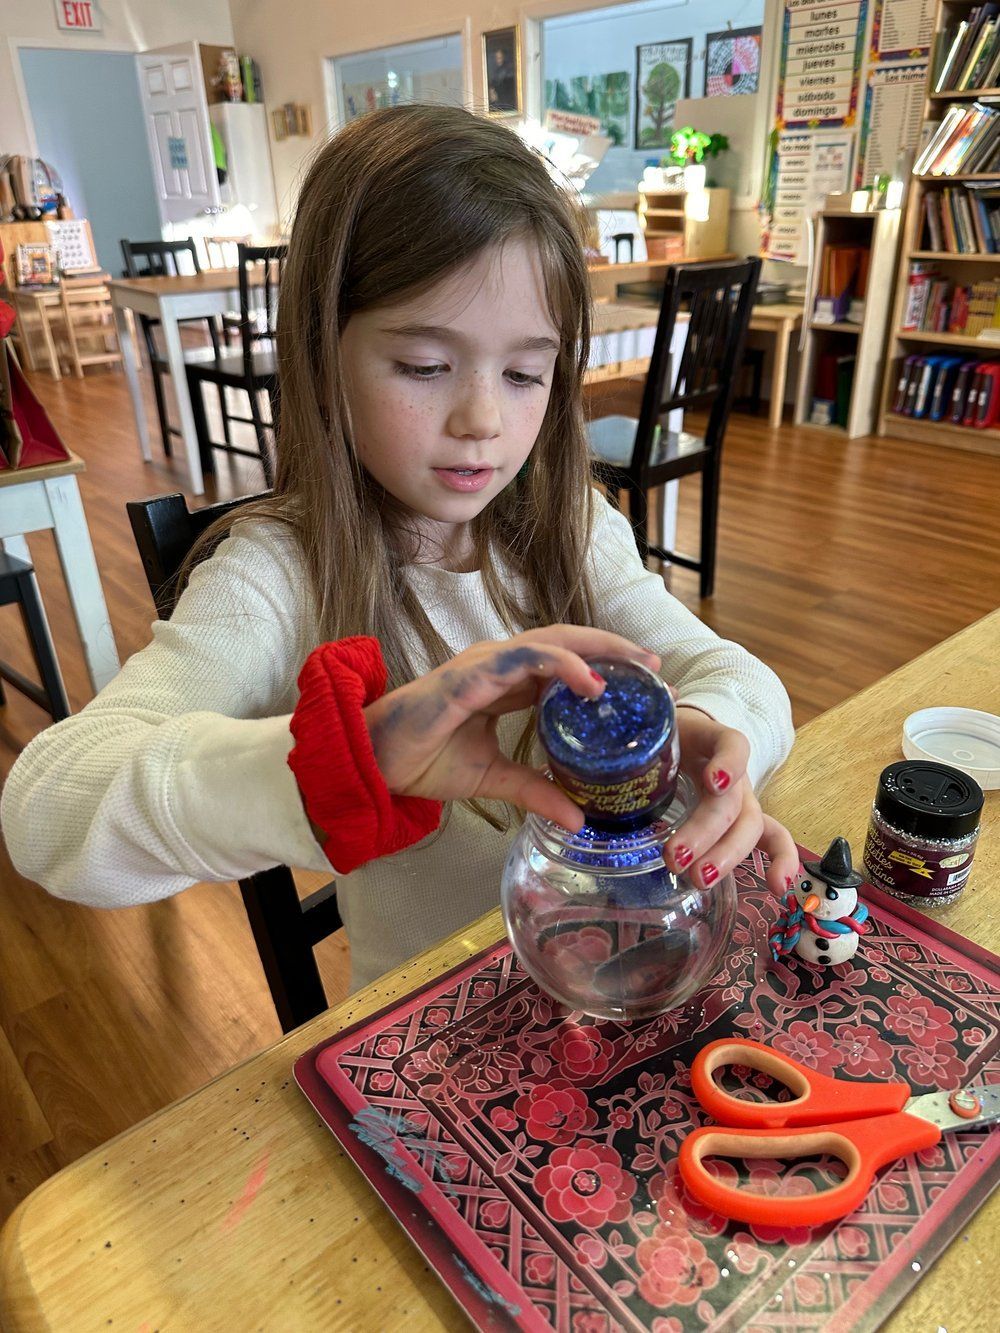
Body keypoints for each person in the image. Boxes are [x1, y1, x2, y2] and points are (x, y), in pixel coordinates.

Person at [2, 105, 797, 993]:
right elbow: (48, 812)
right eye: (424, 366)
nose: (483, 422)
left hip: (624, 973)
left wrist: (720, 743)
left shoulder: (567, 517)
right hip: (433, 1030)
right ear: (320, 351)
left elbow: (735, 673)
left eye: (525, 373)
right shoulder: (277, 577)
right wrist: (340, 770)